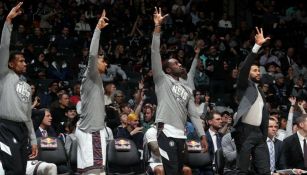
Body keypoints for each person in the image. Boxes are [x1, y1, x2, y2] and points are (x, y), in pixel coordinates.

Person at [151, 7, 208, 175]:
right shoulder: (162, 80)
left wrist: (202, 135)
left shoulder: (187, 88)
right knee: (171, 172)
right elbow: (154, 53)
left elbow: (194, 115)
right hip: (166, 131)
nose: (180, 64)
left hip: (181, 135)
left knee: (179, 171)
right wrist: (157, 28)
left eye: (179, 63)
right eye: (175, 63)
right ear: (168, 70)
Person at [0, 2, 38, 174]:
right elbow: (3, 48)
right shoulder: (4, 74)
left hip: (23, 128)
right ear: (10, 63)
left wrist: (34, 139)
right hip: (5, 128)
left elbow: (28, 115)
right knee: (13, 170)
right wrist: (8, 21)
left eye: (25, 60)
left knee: (21, 171)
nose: (25, 63)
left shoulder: (26, 86)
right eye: (21, 61)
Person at [232, 27, 271, 175]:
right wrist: (257, 46)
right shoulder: (244, 85)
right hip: (245, 131)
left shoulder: (259, 90)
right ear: (248, 72)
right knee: (242, 170)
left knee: (264, 170)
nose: (258, 73)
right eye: (255, 70)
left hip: (259, 134)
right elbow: (245, 67)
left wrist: (264, 133)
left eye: (259, 71)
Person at [74, 10, 109, 174]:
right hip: (92, 131)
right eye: (103, 61)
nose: (106, 64)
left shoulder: (96, 79)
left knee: (94, 171)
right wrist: (98, 29)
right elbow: (92, 55)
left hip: (90, 129)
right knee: (95, 172)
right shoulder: (91, 74)